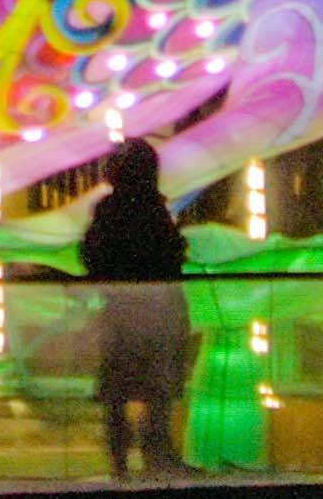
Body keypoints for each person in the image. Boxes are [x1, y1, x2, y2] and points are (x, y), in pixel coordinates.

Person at [75, 139, 195, 477]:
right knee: (155, 387)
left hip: (122, 311)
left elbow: (94, 257)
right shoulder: (152, 211)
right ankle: (155, 455)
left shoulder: (110, 211)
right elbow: (167, 258)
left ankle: (121, 461)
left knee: (120, 388)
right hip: (153, 311)